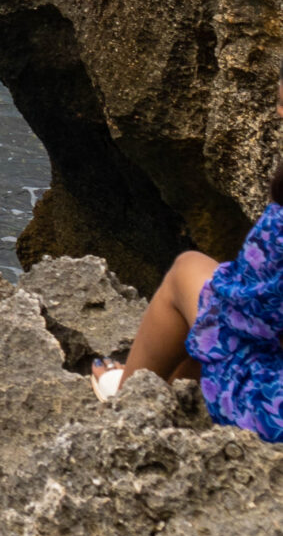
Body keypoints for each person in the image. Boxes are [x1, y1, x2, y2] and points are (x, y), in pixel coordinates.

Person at [93, 76, 283, 440]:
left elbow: (244, 315)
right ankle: (174, 396)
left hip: (271, 410)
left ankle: (129, 399)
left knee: (190, 272)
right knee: (210, 310)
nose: (277, 112)